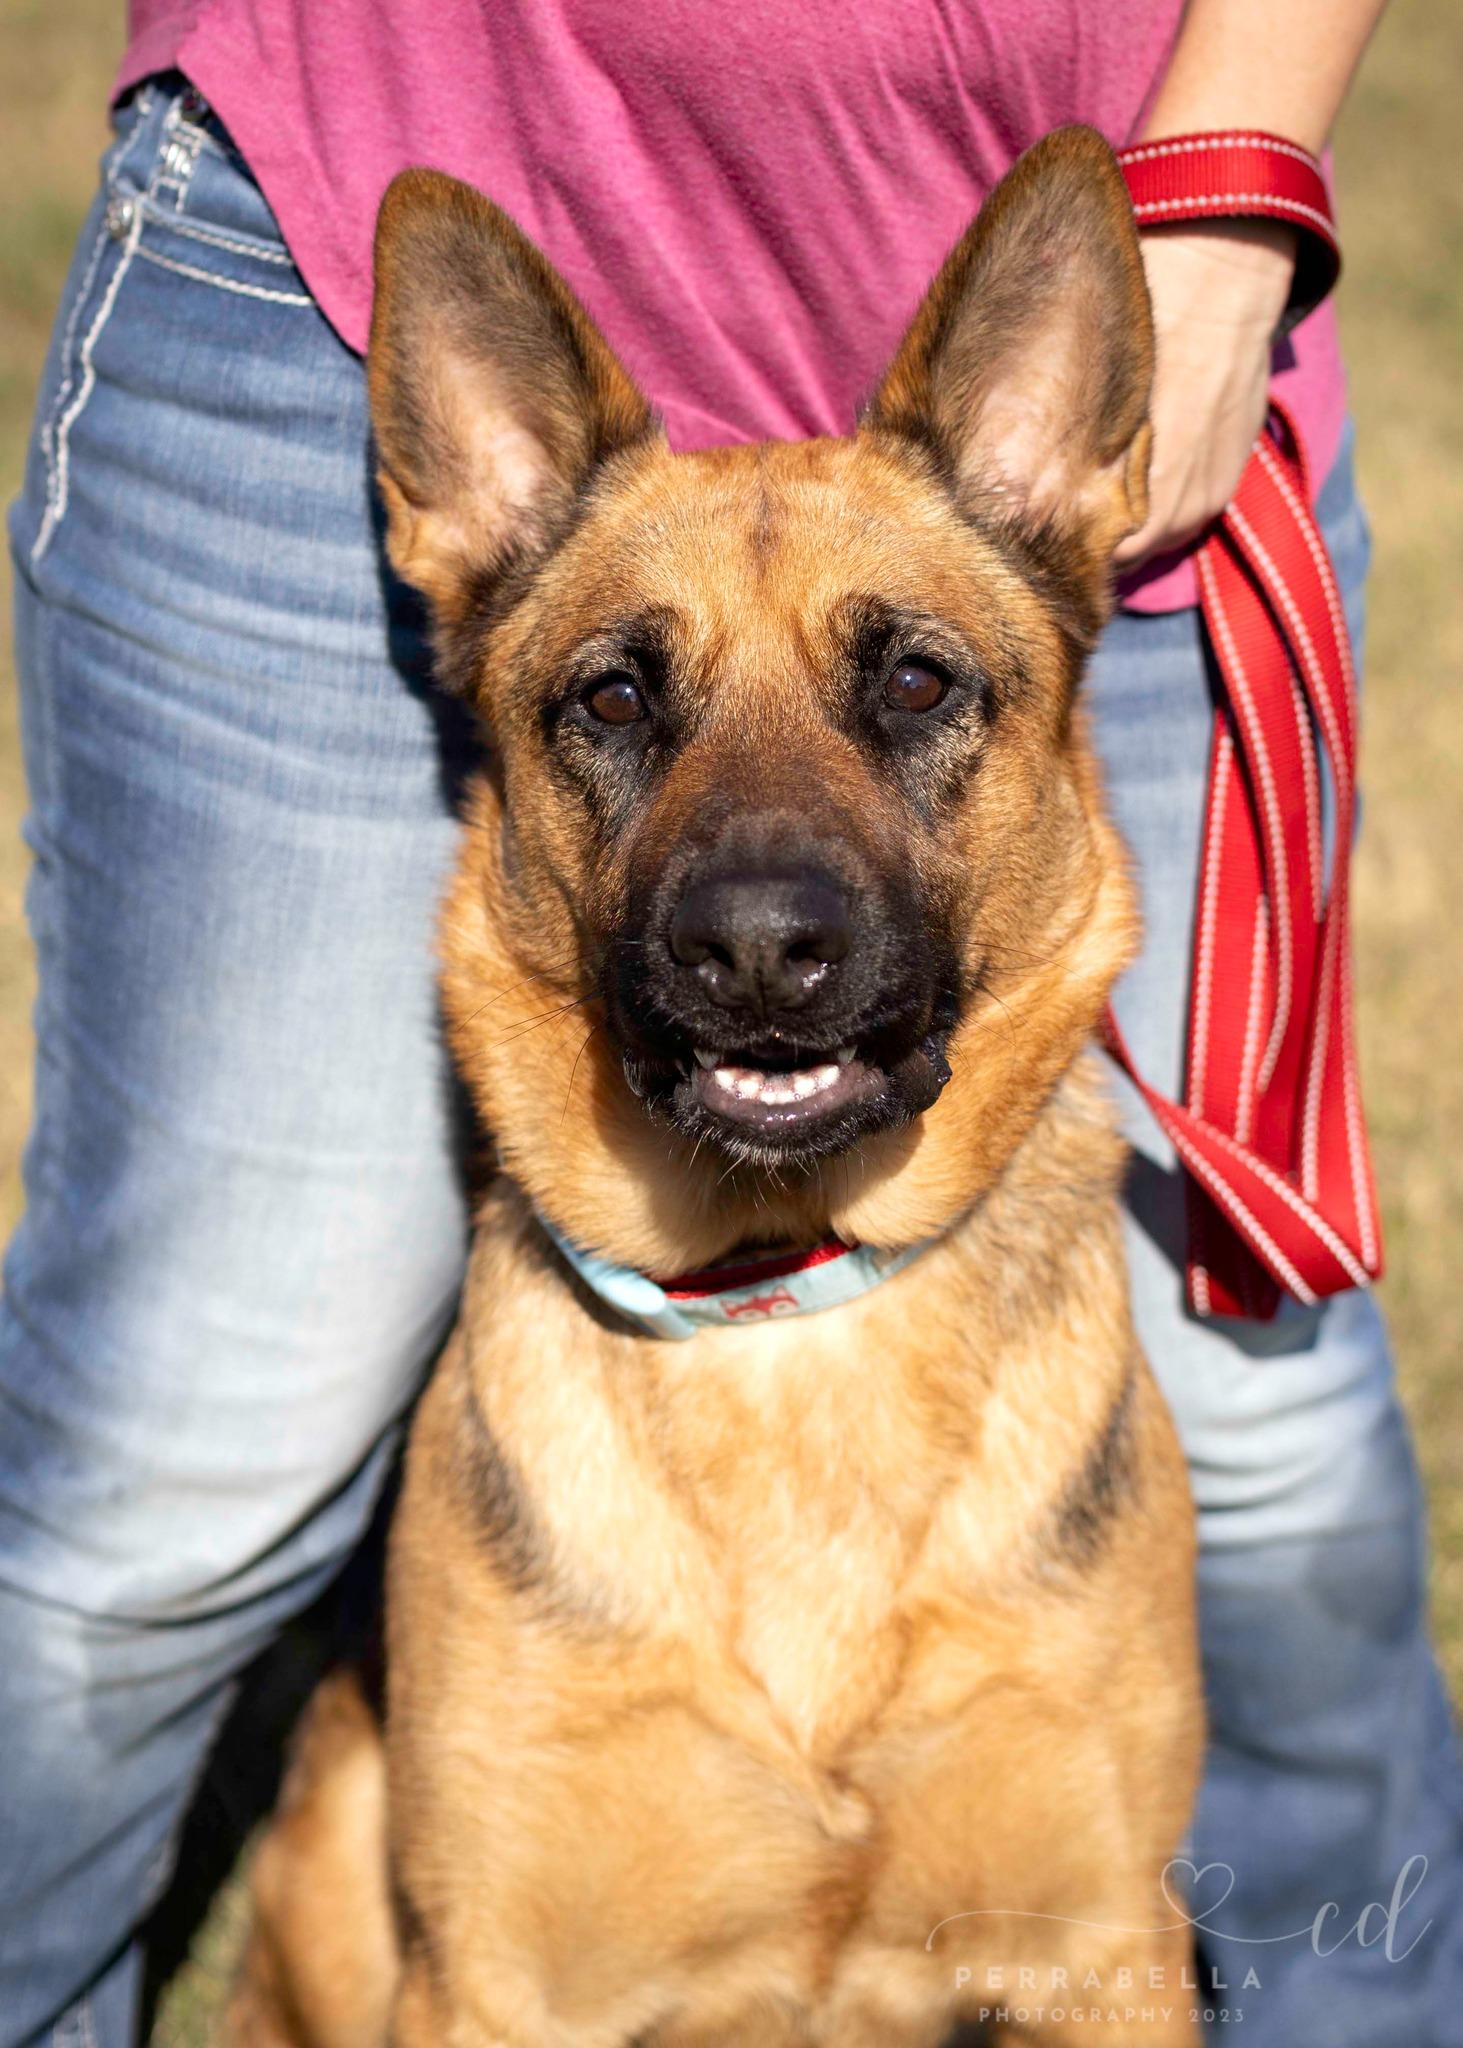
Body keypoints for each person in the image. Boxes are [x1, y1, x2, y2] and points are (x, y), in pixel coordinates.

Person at [2, 0, 1459, 2042]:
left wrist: (1230, 175)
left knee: (1283, 1460)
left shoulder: (1020, 499)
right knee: (178, 1463)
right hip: (370, 158)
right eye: (621, 704)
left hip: (1098, 168)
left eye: (908, 695)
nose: (766, 910)